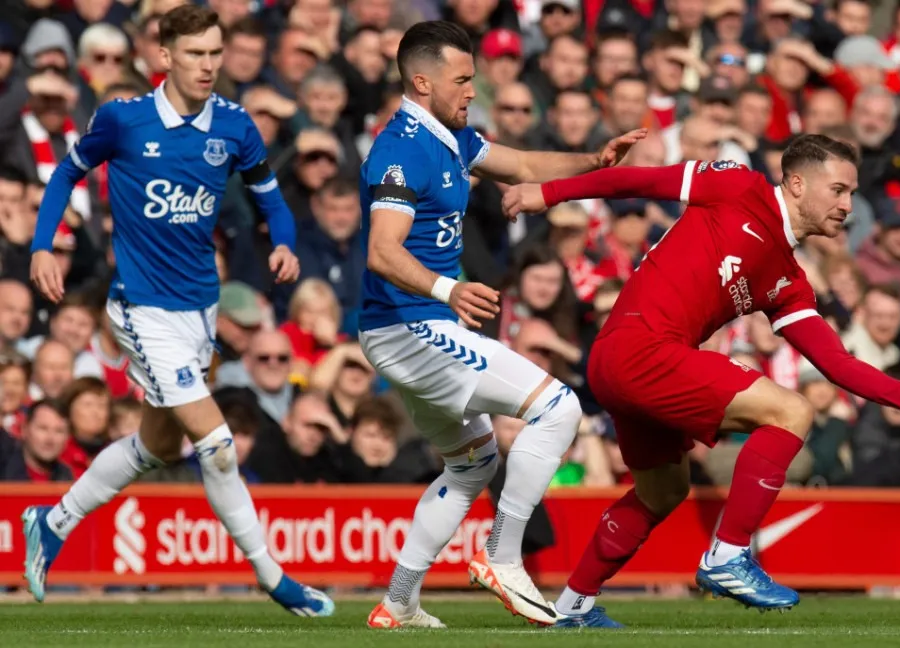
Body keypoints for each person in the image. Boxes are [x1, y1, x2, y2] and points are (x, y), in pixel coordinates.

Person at [501, 134, 900, 627]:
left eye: (852, 194)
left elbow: (838, 364)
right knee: (792, 411)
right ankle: (727, 555)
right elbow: (637, 179)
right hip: (638, 348)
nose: (847, 205)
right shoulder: (736, 185)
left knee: (662, 491)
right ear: (796, 183)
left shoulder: (788, 281)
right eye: (837, 190)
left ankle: (572, 606)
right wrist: (548, 192)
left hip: (628, 363)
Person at [20, 6, 332, 617]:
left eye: (215, 53)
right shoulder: (123, 120)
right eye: (195, 54)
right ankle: (274, 578)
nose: (209, 65)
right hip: (139, 308)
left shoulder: (237, 127)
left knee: (155, 446)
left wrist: (287, 242)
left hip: (200, 312)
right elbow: (65, 174)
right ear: (164, 57)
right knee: (216, 443)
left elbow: (273, 200)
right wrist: (40, 246)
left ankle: (51, 522)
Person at [357, 21, 645, 629]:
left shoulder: (450, 135)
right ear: (421, 80)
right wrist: (449, 288)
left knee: (472, 464)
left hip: (415, 325)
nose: (471, 90)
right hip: (409, 323)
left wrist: (590, 162)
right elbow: (382, 251)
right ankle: (503, 557)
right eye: (461, 79)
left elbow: (519, 162)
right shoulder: (400, 147)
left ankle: (400, 599)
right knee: (560, 409)